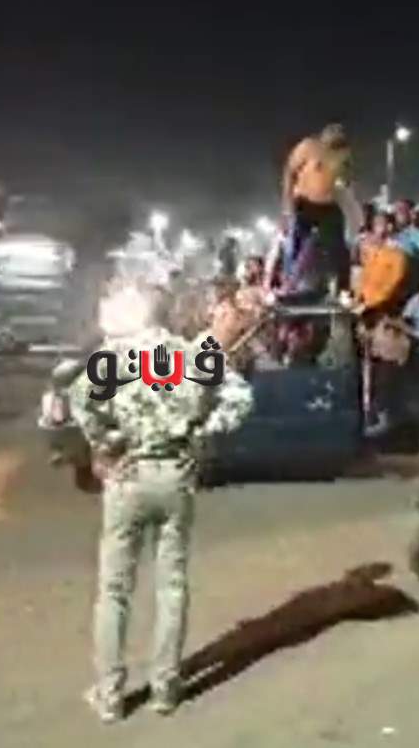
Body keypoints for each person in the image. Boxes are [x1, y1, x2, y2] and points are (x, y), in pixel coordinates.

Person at [60, 289, 254, 723]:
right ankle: (166, 687)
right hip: (176, 477)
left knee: (114, 590)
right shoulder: (192, 354)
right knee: (171, 585)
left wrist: (104, 448)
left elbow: (80, 402)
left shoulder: (115, 357)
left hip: (128, 479)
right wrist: (199, 435)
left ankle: (110, 694)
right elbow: (240, 400)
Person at [282, 123, 353, 289]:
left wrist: (343, 177)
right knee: (297, 243)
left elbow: (346, 181)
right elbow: (289, 171)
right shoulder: (308, 146)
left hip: (328, 205)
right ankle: (289, 283)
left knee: (339, 246)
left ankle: (342, 286)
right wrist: (287, 204)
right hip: (304, 202)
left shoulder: (343, 154)